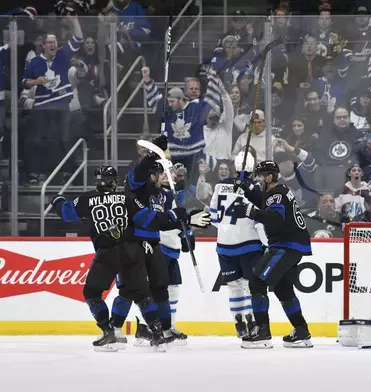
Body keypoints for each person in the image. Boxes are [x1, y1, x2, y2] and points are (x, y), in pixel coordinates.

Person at [51, 166, 194, 351]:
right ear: (115, 181)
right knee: (143, 295)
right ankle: (158, 336)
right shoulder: (127, 197)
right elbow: (148, 218)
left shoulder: (87, 198)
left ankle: (108, 332)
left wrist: (57, 199)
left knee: (92, 293)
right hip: (132, 251)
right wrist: (172, 214)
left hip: (107, 254)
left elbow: (66, 213)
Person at [124, 135, 211, 345]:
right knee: (154, 289)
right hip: (157, 246)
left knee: (171, 288)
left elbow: (174, 219)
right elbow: (161, 220)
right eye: (164, 170)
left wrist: (187, 228)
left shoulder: (170, 195)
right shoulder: (144, 191)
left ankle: (166, 325)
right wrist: (154, 153)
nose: (169, 174)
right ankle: (146, 328)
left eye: (170, 171)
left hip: (170, 247)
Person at [232, 161, 313, 349]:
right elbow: (263, 201)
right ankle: (302, 332)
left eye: (261, 176)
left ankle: (262, 333)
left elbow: (274, 218)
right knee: (283, 290)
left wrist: (249, 211)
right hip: (294, 244)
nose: (258, 179)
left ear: (270, 177)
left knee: (257, 282)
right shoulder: (278, 191)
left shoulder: (276, 193)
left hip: (285, 245)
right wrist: (245, 188)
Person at [210, 151, 266, 338]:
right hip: (249, 243)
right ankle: (252, 321)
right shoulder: (255, 188)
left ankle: (239, 323)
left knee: (234, 286)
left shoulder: (220, 186)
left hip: (224, 243)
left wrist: (227, 228)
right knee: (251, 285)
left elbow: (213, 217)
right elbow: (259, 219)